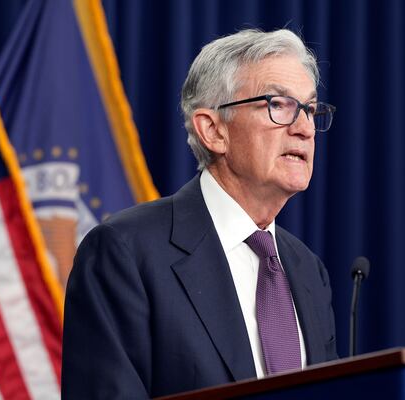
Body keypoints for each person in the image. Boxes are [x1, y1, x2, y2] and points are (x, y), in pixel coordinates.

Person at [62, 28, 338, 399]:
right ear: (212, 130)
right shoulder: (126, 253)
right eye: (278, 105)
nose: (304, 128)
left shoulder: (308, 271)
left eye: (309, 109)